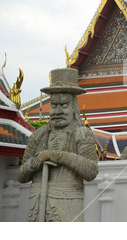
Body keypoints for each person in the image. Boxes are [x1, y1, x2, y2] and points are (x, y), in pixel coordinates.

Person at [17, 68, 99, 222]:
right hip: (37, 206)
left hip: (67, 206)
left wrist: (59, 156)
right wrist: (32, 164)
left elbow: (91, 171)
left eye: (64, 105)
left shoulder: (82, 134)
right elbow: (21, 176)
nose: (58, 111)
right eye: (54, 105)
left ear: (74, 107)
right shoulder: (38, 134)